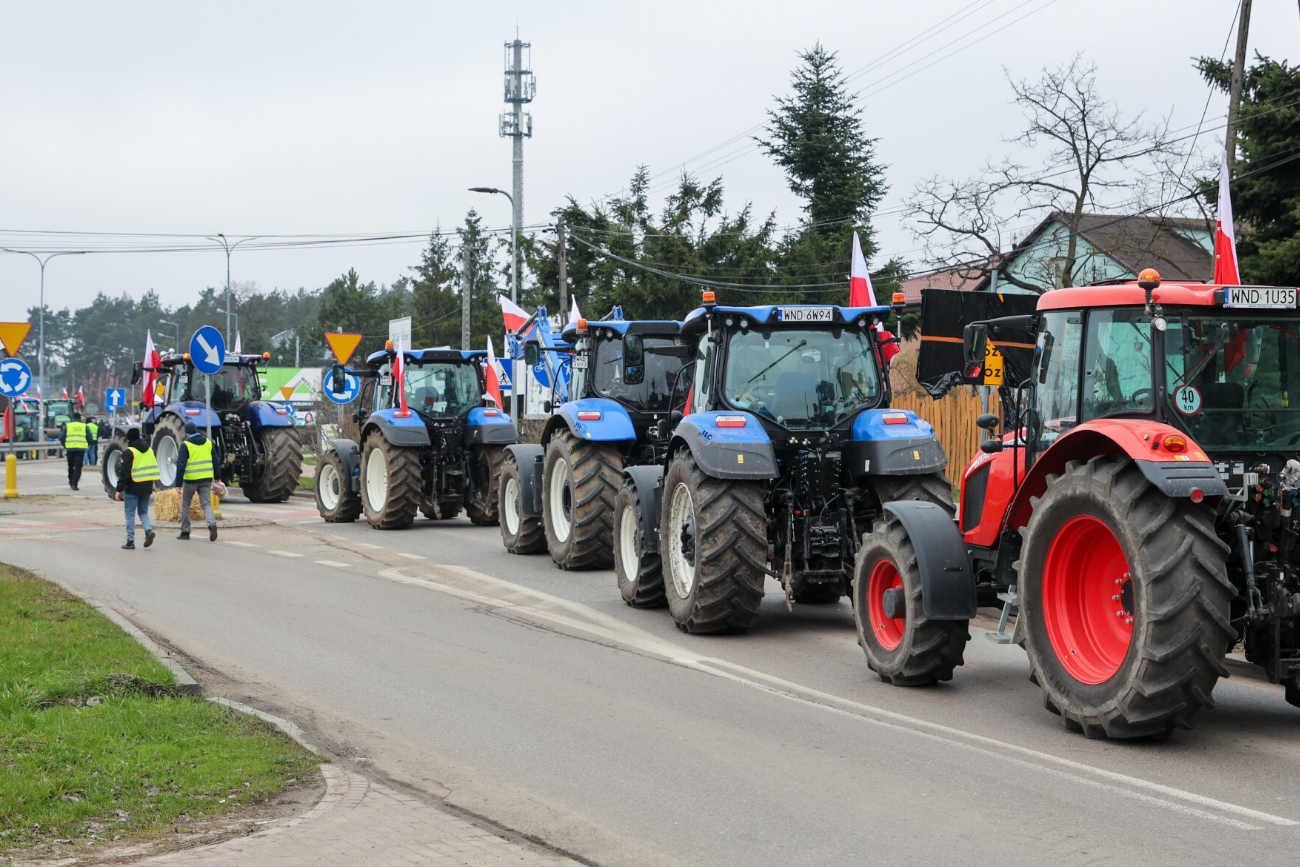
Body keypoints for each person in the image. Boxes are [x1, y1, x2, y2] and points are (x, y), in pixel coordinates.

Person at [173, 421, 218, 541]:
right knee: (205, 504)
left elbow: (181, 464)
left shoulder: (185, 444)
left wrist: (178, 484)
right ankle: (212, 523)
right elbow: (216, 460)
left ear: (186, 433)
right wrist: (218, 478)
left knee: (186, 505)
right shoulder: (208, 442)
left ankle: (185, 532)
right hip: (206, 479)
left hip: (191, 480)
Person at [115, 428, 157, 550]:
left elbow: (124, 473)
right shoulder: (149, 450)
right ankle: (148, 530)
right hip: (147, 486)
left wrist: (119, 490)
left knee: (130, 515)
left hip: (133, 487)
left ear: (128, 439)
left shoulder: (129, 452)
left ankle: (130, 541)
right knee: (143, 512)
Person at [60, 411, 89, 490]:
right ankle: (74, 484)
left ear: (73, 418)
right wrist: (86, 445)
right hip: (80, 449)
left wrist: (65, 445)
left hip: (70, 449)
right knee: (78, 467)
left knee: (70, 466)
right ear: (80, 418)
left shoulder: (68, 425)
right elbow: (89, 437)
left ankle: (70, 480)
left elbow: (62, 437)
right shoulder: (84, 426)